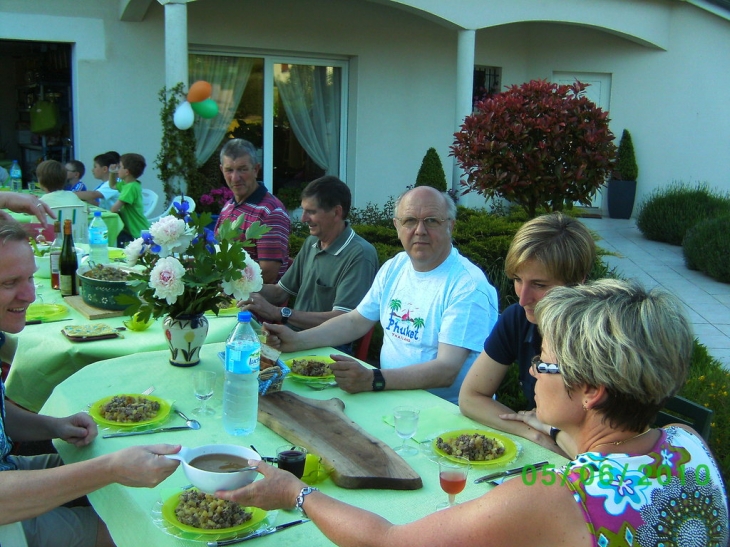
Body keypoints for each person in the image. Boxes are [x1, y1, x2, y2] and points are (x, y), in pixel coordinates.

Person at [219, 279, 729, 547]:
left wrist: (295, 493)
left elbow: (388, 542)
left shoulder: (556, 498)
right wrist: (555, 426)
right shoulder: (687, 442)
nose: (531, 370)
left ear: (592, 391)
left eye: (544, 362)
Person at [0, 219, 181, 547]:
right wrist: (109, 469)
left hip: (10, 470)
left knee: (115, 455)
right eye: (10, 282)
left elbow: (2, 417)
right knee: (141, 530)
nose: (28, 295)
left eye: (29, 277)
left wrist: (54, 426)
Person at [266, 186, 499, 403]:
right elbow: (355, 321)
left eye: (431, 221)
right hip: (390, 397)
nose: (420, 231)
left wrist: (373, 379)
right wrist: (296, 341)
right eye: (409, 221)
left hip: (443, 412)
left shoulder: (467, 285)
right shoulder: (396, 266)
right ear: (397, 226)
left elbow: (446, 370)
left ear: (450, 226)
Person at [459, 212, 595, 451]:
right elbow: (470, 398)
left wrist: (550, 432)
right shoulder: (518, 319)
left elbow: (608, 444)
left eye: (539, 285)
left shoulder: (604, 337)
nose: (523, 299)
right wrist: (533, 432)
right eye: (518, 279)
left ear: (578, 282)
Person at [240, 176, 378, 346]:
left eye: (311, 212)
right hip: (291, 338)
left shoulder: (360, 254)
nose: (303, 219)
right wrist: (241, 285)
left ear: (336, 212)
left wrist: (279, 313)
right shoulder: (312, 242)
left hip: (329, 349)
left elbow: (343, 320)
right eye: (303, 210)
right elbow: (279, 292)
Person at [214, 139, 290, 283]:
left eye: (243, 169)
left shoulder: (271, 212)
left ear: (256, 169)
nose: (235, 178)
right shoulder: (228, 206)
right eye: (229, 170)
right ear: (221, 170)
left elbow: (267, 275)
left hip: (256, 302)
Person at [110, 153, 150, 246]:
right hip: (133, 229)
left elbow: (114, 209)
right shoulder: (128, 184)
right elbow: (112, 185)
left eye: (119, 167)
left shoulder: (130, 187)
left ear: (127, 172)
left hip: (136, 231)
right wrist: (112, 173)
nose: (117, 170)